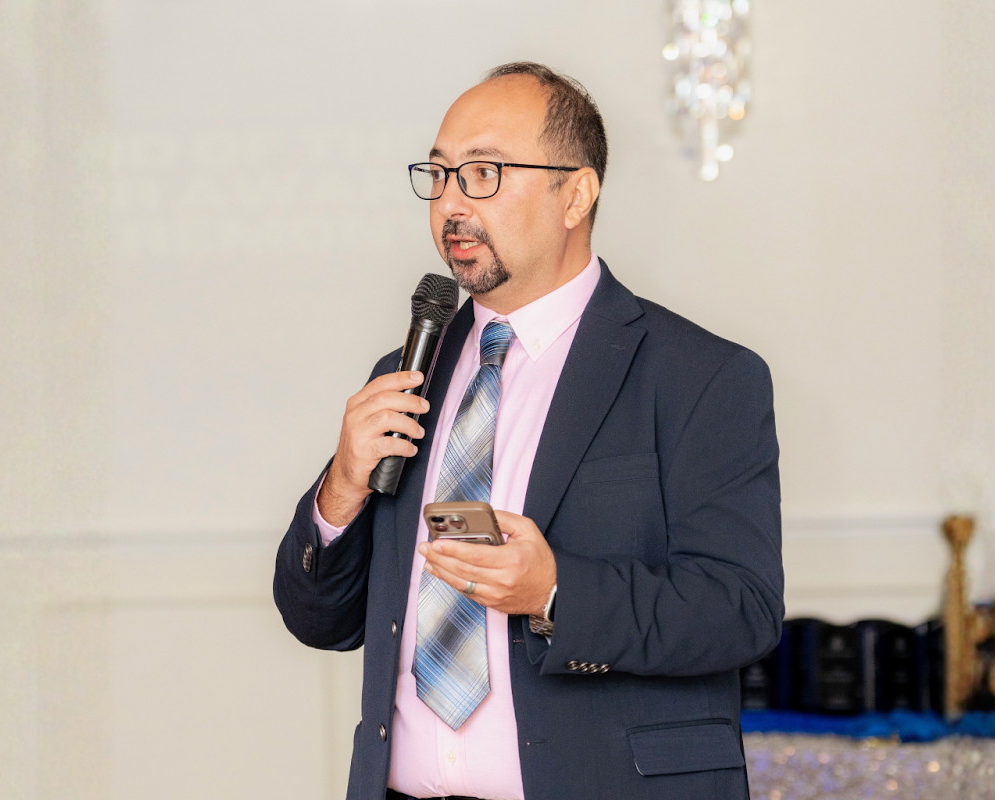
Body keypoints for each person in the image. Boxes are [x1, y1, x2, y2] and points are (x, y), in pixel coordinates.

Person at [274, 62, 783, 800]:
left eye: (483, 173)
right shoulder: (409, 371)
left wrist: (556, 592)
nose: (451, 204)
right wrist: (342, 488)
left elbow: (741, 612)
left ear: (575, 194)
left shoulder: (699, 376)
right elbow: (319, 620)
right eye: (439, 175)